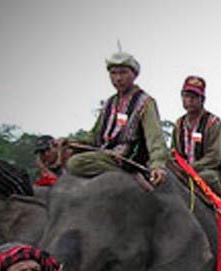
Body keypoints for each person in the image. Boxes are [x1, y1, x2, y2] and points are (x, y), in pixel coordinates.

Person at [65, 51, 168, 187]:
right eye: (113, 73)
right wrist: (69, 142)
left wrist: (158, 165)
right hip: (105, 155)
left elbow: (155, 138)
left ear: (134, 74)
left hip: (128, 158)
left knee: (75, 163)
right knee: (69, 157)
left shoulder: (145, 102)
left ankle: (130, 177)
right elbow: (94, 137)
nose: (118, 78)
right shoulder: (109, 103)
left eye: (123, 72)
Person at [171, 75, 221, 202]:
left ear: (202, 99)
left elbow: (214, 157)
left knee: (207, 177)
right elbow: (174, 152)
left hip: (206, 171)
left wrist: (191, 168)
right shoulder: (179, 124)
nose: (190, 100)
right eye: (186, 96)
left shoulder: (212, 123)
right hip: (182, 171)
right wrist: (176, 166)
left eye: (194, 97)